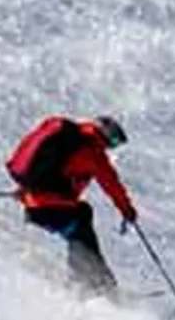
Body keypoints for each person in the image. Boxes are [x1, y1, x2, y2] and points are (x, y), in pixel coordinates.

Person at [8, 112, 137, 294]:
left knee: (81, 214)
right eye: (113, 141)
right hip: (51, 209)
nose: (111, 147)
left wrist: (27, 189)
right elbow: (112, 185)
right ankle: (93, 282)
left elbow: (48, 167)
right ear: (104, 133)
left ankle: (84, 275)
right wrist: (127, 211)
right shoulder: (92, 153)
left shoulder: (69, 138)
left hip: (35, 205)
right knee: (81, 223)